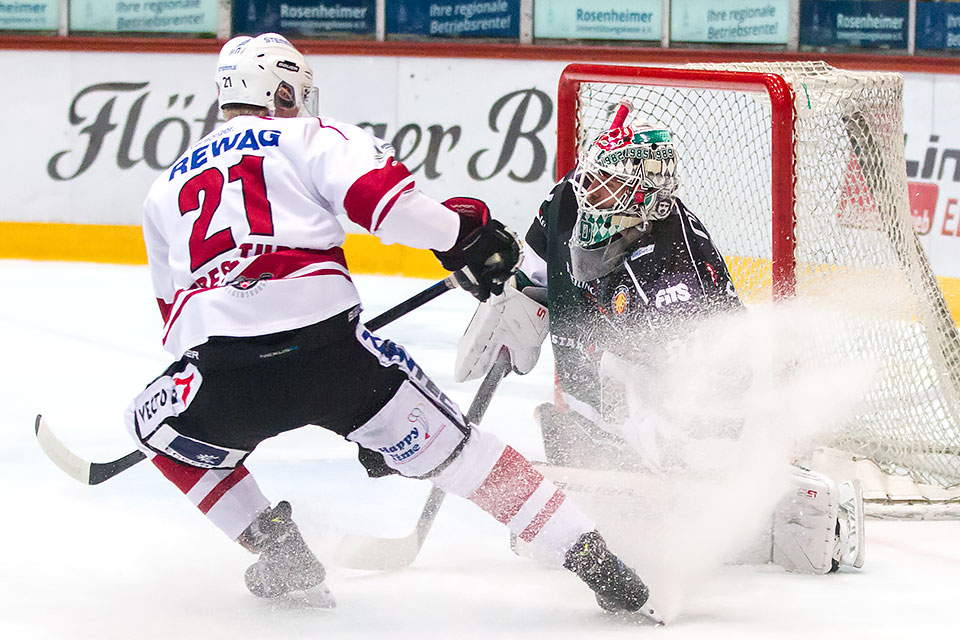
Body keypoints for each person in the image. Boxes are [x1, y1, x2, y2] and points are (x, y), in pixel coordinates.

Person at [123, 33, 656, 616]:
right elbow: (390, 208)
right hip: (335, 362)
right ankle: (594, 558)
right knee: (465, 457)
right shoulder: (313, 137)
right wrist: (467, 240)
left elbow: (173, 316)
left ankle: (279, 551)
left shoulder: (163, 187)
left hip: (220, 373)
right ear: (280, 90)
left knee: (150, 429)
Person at [455, 102, 865, 575]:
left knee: (689, 467)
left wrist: (684, 470)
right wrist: (515, 293)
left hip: (679, 420)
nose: (590, 189)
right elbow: (538, 262)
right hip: (600, 401)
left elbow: (709, 394)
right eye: (591, 176)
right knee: (567, 434)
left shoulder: (669, 275)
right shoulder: (573, 194)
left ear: (642, 196)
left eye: (606, 183)